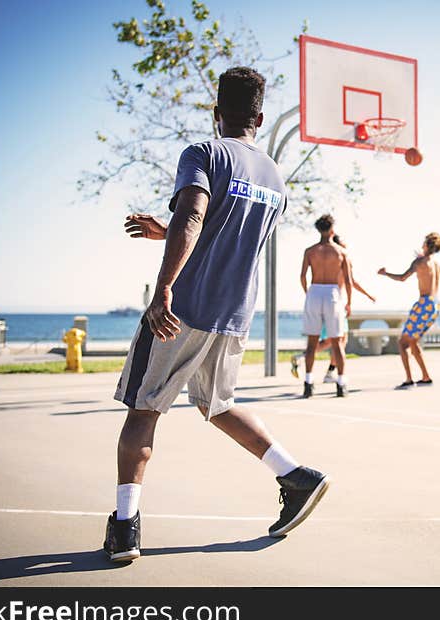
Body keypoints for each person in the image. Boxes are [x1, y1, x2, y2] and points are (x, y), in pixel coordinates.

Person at [105, 67, 330, 562]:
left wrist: (163, 286)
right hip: (233, 314)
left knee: (144, 409)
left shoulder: (204, 153)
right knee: (219, 405)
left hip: (184, 307)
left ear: (217, 112)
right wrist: (166, 231)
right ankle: (296, 476)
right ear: (261, 116)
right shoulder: (275, 176)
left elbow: (195, 215)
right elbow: (225, 229)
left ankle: (124, 527)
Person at [291, 234, 376, 383]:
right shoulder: (341, 259)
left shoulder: (331, 259)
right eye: (343, 244)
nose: (345, 247)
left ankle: (325, 370)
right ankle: (313, 363)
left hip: (328, 302)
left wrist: (367, 295)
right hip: (335, 304)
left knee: (336, 340)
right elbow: (351, 282)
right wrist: (362, 297)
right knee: (336, 341)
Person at [378, 232, 440, 388]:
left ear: (427, 245)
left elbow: (402, 277)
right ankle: (426, 377)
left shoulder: (419, 262)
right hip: (435, 305)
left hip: (423, 303)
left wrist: (385, 273)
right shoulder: (437, 265)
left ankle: (408, 379)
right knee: (413, 341)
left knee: (402, 343)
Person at [298, 215, 353, 398]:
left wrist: (309, 293)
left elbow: (303, 276)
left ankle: (308, 382)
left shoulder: (310, 251)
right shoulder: (340, 252)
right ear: (332, 229)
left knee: (312, 342)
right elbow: (348, 280)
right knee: (337, 341)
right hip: (332, 293)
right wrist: (349, 302)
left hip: (314, 291)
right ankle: (341, 383)